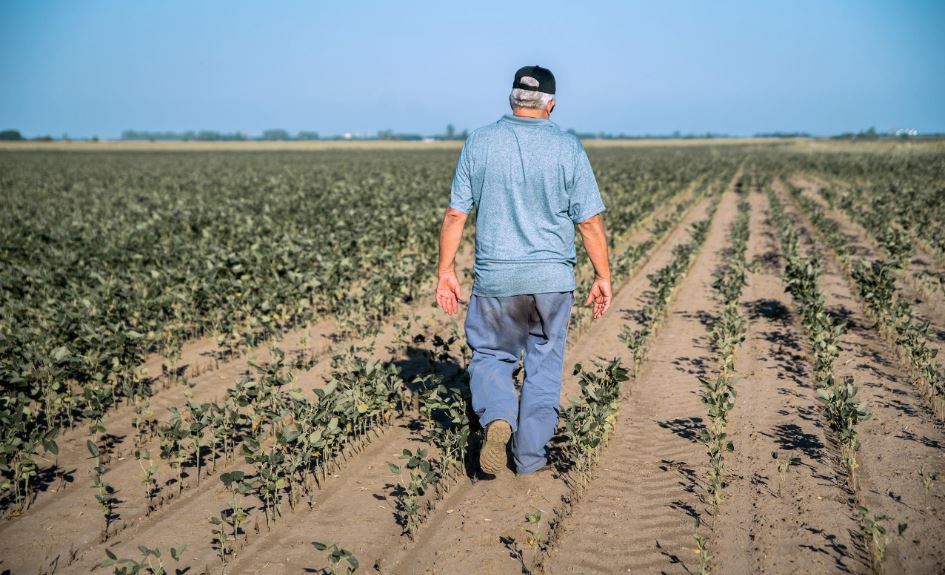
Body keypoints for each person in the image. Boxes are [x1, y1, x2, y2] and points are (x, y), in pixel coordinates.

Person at [435, 65, 612, 476]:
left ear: (512, 100)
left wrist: (446, 270)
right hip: (551, 282)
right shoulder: (568, 147)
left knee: (492, 357)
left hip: (497, 280)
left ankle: (498, 416)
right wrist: (602, 276)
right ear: (551, 104)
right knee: (543, 367)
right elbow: (589, 223)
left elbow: (455, 215)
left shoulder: (479, 142)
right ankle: (530, 460)